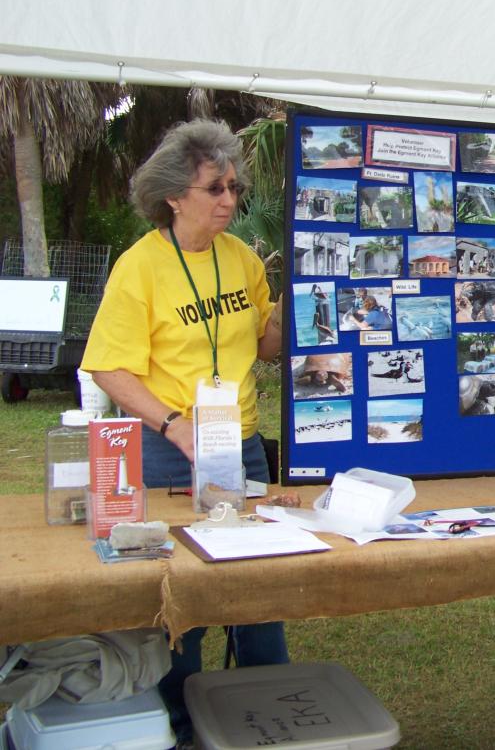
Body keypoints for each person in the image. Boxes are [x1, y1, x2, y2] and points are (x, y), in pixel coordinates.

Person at [81, 119, 289, 745]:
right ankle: (179, 723)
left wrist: (300, 310)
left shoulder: (244, 258)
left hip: (243, 443)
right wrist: (172, 424)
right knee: (183, 596)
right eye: (215, 188)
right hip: (170, 450)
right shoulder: (139, 267)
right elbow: (108, 365)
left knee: (258, 584)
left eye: (234, 187)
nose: (229, 200)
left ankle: (272, 715)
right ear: (175, 196)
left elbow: (266, 346)